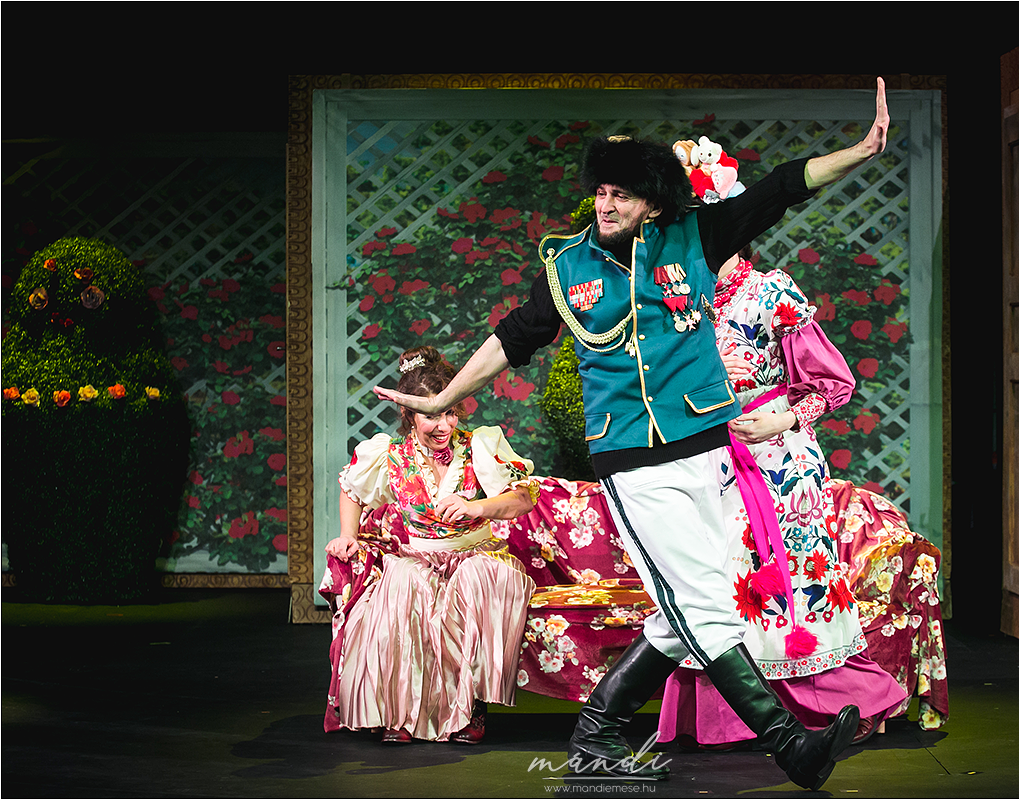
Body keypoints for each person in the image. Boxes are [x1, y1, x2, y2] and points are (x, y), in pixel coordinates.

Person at [374, 77, 890, 788]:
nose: (605, 203)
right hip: (632, 463)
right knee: (704, 608)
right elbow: (513, 337)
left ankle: (596, 734)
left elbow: (780, 188)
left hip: (705, 450)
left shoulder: (693, 237)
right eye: (600, 191)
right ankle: (791, 748)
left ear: (652, 199)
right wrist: (445, 395)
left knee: (684, 614)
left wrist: (861, 150)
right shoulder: (568, 265)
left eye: (620, 193)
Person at [654, 246, 910, 750]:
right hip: (707, 455)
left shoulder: (771, 291)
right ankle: (731, 718)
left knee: (791, 583)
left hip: (778, 458)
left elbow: (832, 382)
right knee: (715, 582)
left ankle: (834, 705)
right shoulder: (678, 299)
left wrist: (785, 418)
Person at [323, 345, 537, 745]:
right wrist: (348, 535)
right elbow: (351, 489)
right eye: (432, 415)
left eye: (450, 412)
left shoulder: (479, 446)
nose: (444, 425)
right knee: (403, 583)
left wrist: (476, 506)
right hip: (419, 556)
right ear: (410, 415)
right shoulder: (390, 455)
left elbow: (523, 498)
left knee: (479, 578)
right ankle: (401, 713)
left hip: (476, 554)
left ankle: (472, 708)